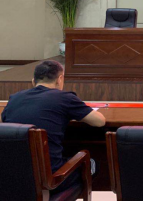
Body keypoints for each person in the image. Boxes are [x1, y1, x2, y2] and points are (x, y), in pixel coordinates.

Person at [1, 60, 106, 194]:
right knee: (91, 163)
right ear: (59, 79)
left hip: (11, 178)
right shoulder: (65, 98)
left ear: (33, 81)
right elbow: (99, 122)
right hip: (50, 180)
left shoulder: (14, 99)